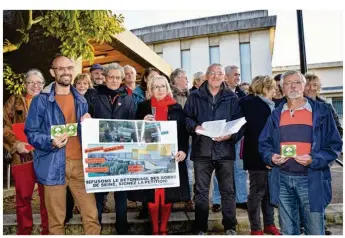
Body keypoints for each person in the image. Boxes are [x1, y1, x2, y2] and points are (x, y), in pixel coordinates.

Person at [258, 70, 343, 235]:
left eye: (297, 82)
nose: (293, 86)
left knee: (315, 230)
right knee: (288, 231)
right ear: (282, 88)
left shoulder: (322, 111)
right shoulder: (275, 114)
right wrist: (271, 157)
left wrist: (314, 159)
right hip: (282, 179)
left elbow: (334, 144)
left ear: (304, 85)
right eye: (288, 83)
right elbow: (264, 143)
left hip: (311, 179)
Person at [24, 55, 101, 235]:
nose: (66, 72)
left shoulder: (81, 100)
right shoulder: (40, 101)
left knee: (92, 216)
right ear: (53, 72)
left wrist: (89, 123)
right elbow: (31, 132)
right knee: (56, 221)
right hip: (53, 164)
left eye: (69, 68)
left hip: (80, 166)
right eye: (61, 68)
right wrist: (50, 141)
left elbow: (84, 133)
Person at [184, 63, 243, 235]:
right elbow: (186, 118)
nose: (216, 76)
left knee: (228, 191)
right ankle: (200, 227)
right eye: (212, 73)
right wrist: (195, 127)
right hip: (202, 150)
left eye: (219, 73)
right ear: (206, 76)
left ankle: (230, 226)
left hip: (225, 150)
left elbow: (240, 123)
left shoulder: (232, 98)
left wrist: (230, 135)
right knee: (201, 192)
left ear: (224, 77)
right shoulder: (194, 96)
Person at [135, 75, 190, 235]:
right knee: (152, 194)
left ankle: (163, 228)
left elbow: (183, 133)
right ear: (150, 89)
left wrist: (184, 150)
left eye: (162, 86)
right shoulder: (143, 107)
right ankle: (154, 229)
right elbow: (132, 132)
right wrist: (141, 122)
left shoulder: (176, 108)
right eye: (156, 87)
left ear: (167, 89)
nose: (159, 89)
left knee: (167, 194)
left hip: (170, 157)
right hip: (148, 156)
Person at [3, 69, 49, 235]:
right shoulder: (14, 101)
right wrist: (16, 144)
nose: (36, 86)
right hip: (22, 157)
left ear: (44, 85)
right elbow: (3, 125)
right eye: (31, 82)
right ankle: (24, 232)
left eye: (39, 83)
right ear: (25, 84)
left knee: (48, 199)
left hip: (45, 156)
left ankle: (48, 232)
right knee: (23, 198)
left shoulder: (50, 101)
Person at [93, 63, 135, 234]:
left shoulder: (128, 98)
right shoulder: (94, 94)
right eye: (111, 77)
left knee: (121, 191)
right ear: (104, 77)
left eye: (118, 77)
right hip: (98, 150)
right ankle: (96, 226)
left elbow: (132, 123)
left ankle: (122, 226)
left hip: (121, 150)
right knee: (98, 191)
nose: (115, 81)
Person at [239, 75, 281, 235]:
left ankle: (269, 224)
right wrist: (266, 157)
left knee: (268, 192)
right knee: (257, 192)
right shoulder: (254, 104)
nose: (275, 91)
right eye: (273, 88)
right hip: (258, 155)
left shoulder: (268, 104)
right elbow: (257, 134)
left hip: (268, 155)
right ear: (265, 88)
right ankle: (256, 228)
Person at [210, 65, 248, 212]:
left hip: (238, 137)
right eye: (235, 75)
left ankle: (241, 199)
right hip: (221, 138)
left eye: (239, 75)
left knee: (240, 169)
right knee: (220, 170)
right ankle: (217, 200)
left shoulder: (243, 95)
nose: (238, 77)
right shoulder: (216, 93)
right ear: (225, 77)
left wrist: (236, 134)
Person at [129, 67, 161, 219]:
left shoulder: (167, 98)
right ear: (146, 80)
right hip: (145, 143)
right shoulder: (140, 101)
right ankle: (145, 206)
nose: (155, 81)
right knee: (146, 174)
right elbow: (134, 121)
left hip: (161, 144)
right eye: (152, 78)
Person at [304, 73, 343, 138]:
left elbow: (338, 132)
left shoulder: (327, 107)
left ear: (318, 88)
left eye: (315, 85)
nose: (311, 88)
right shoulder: (295, 106)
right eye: (307, 85)